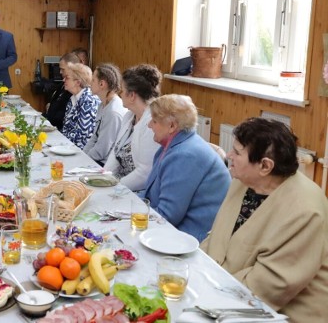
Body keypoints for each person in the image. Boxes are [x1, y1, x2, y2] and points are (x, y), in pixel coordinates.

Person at [201, 118, 328, 321]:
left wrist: (207, 290)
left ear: (265, 166)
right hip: (225, 291)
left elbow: (269, 287)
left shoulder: (305, 211)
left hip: (279, 313)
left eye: (237, 152)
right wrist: (196, 270)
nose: (229, 156)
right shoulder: (243, 181)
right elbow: (216, 237)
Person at [141, 94, 230, 241]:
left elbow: (167, 216)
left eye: (154, 121)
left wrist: (128, 215)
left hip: (191, 238)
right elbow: (148, 196)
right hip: (171, 227)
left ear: (172, 126)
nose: (149, 125)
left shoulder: (184, 155)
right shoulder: (170, 147)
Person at [104, 64, 162, 192]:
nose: (120, 94)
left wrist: (115, 187)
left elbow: (145, 174)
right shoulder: (129, 116)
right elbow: (116, 151)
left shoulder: (152, 124)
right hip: (118, 184)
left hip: (138, 191)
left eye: (122, 91)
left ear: (132, 96)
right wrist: (103, 177)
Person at [83, 64, 128, 165]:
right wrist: (82, 155)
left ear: (102, 84)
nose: (90, 83)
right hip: (96, 159)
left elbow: (101, 150)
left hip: (105, 165)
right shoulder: (103, 105)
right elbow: (94, 137)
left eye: (93, 80)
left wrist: (83, 161)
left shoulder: (113, 112)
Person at [61, 62, 100, 149]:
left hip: (80, 151)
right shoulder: (73, 98)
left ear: (78, 82)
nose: (63, 80)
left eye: (67, 78)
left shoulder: (88, 101)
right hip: (67, 146)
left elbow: (83, 137)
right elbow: (66, 128)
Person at [43, 52, 79, 131]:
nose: (60, 72)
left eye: (62, 69)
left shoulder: (74, 90)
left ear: (72, 69)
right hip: (50, 125)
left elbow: (62, 117)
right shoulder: (61, 85)